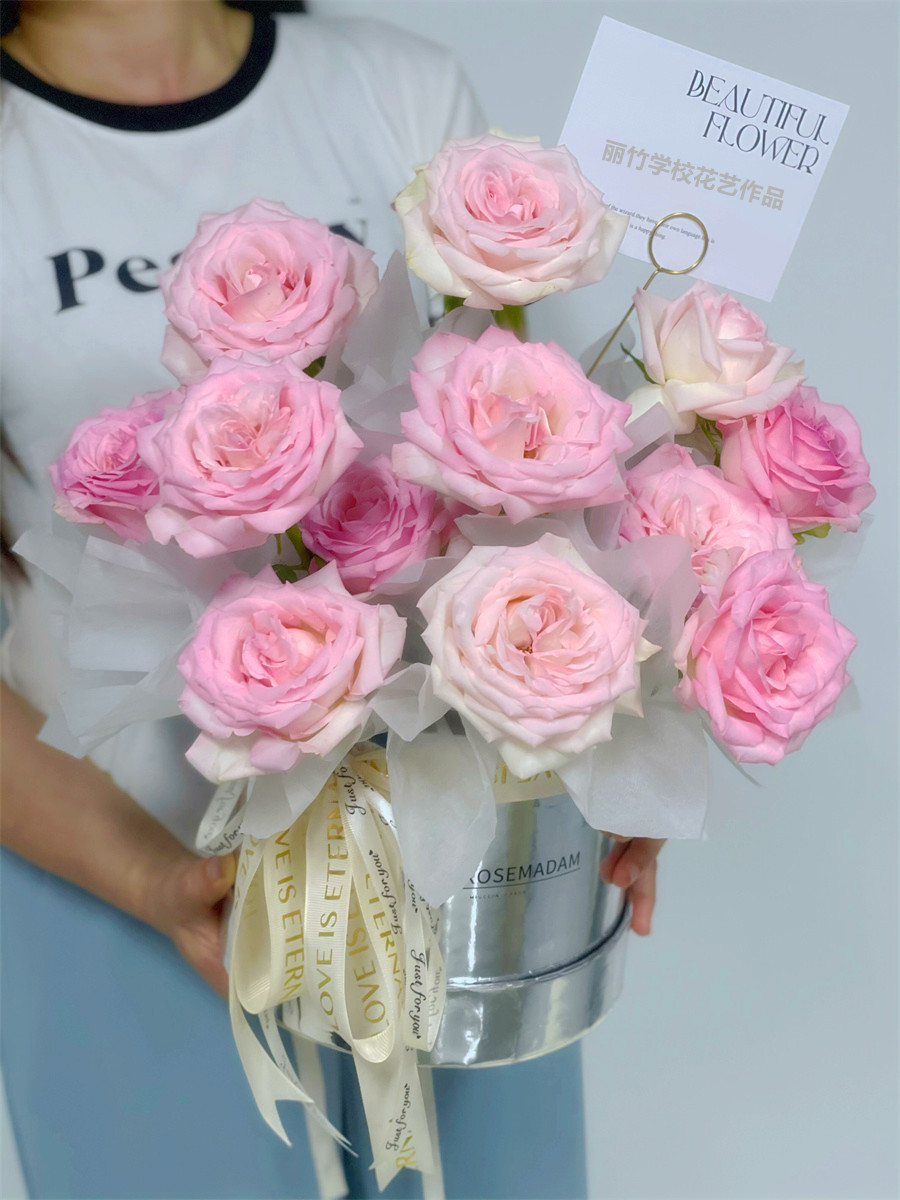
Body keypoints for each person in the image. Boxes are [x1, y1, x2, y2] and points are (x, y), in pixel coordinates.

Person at [0, 3, 665, 1197]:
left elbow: (549, 469)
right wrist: (150, 880)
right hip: (121, 869)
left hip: (458, 870)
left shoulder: (393, 91)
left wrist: (619, 757)